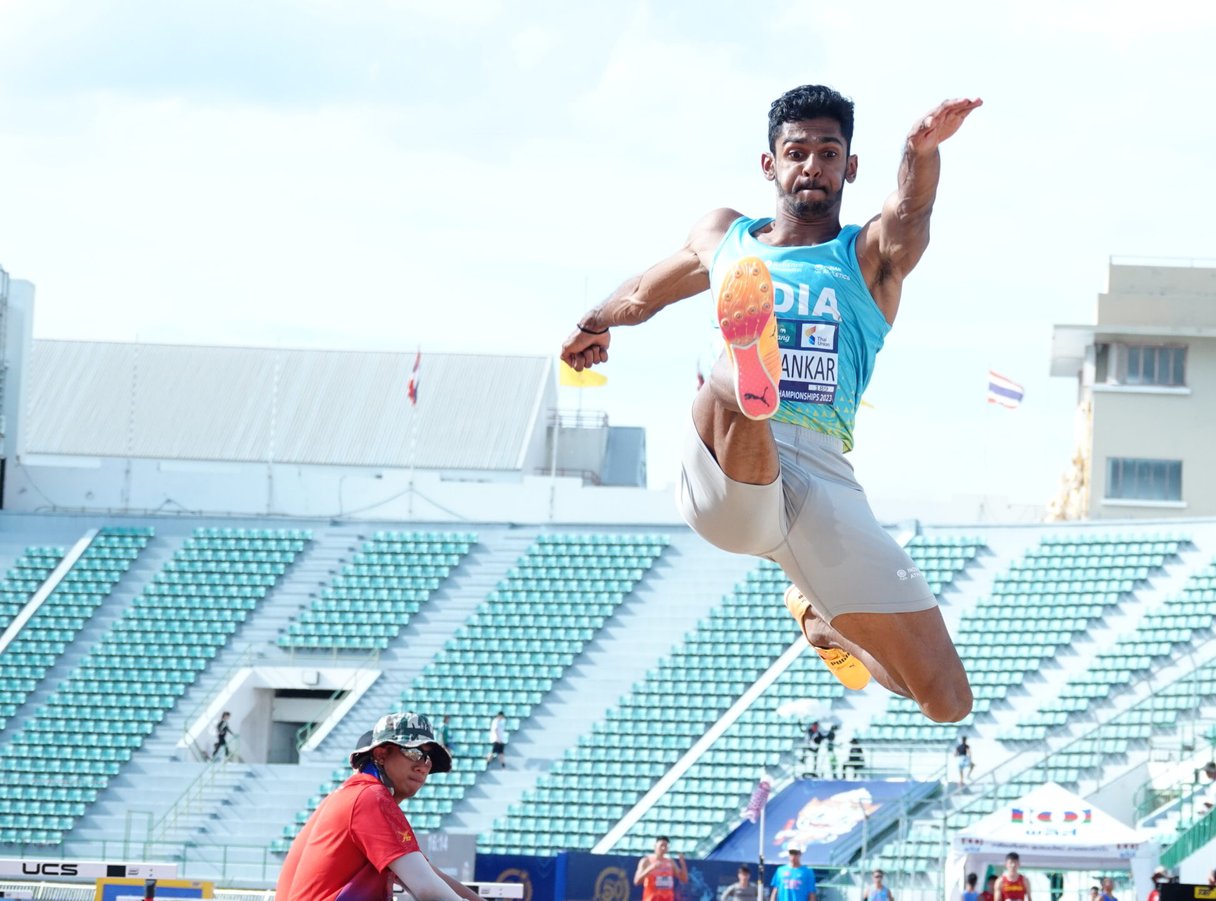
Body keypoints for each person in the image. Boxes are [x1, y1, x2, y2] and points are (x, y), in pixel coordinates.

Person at [560, 86, 981, 722]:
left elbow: (911, 211)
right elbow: (645, 292)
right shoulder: (724, 238)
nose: (813, 165)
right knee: (732, 379)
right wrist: (594, 321)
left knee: (944, 700)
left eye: (829, 153)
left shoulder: (867, 258)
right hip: (727, 465)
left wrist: (919, 151)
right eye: (798, 151)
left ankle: (821, 623)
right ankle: (748, 376)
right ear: (770, 164)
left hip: (820, 480)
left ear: (851, 167)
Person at [275, 713, 480, 901]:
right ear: (381, 754)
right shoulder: (371, 797)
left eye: (429, 760)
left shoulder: (349, 795)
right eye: (414, 753)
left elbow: (427, 874)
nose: (423, 766)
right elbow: (428, 889)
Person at [635, 836, 689, 901]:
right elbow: (637, 881)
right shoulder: (646, 861)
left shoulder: (670, 862)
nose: (663, 848)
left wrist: (682, 863)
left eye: (665, 846)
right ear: (655, 846)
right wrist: (650, 868)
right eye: (661, 846)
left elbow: (684, 879)